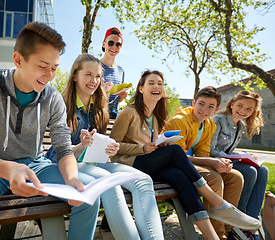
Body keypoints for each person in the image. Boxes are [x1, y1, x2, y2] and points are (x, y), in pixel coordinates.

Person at [0, 22, 101, 240]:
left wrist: (71, 179)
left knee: (87, 191)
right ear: (18, 60)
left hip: (36, 168)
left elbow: (63, 149)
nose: (50, 75)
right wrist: (10, 170)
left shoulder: (52, 98)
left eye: (54, 68)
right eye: (43, 66)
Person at [110, 71, 261, 240]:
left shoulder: (159, 116)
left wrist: (161, 143)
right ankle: (217, 203)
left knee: (179, 176)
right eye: (151, 83)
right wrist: (143, 149)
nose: (156, 86)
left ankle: (213, 237)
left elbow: (161, 146)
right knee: (175, 152)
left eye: (160, 84)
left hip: (151, 165)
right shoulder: (129, 112)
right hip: (129, 164)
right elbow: (113, 147)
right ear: (141, 89)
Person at [46, 54, 164, 240]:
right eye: (89, 75)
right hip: (63, 164)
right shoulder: (60, 104)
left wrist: (110, 148)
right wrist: (81, 146)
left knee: (142, 180)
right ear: (75, 76)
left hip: (91, 163)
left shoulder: (99, 107)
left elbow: (96, 146)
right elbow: (58, 152)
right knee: (109, 185)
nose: (94, 81)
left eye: (98, 76)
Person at [163, 86, 247, 239]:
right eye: (201, 104)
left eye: (210, 106)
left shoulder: (208, 125)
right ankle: (218, 235)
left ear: (216, 110)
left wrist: (219, 163)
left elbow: (202, 154)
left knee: (235, 177)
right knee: (214, 179)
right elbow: (176, 157)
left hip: (190, 164)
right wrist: (211, 162)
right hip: (172, 166)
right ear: (194, 103)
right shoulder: (180, 121)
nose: (204, 109)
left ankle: (228, 231)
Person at [210, 90, 268, 239]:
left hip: (227, 160)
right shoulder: (218, 120)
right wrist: (233, 158)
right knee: (249, 171)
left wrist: (244, 155)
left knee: (263, 170)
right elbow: (210, 149)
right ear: (232, 104)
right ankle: (237, 221)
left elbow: (230, 149)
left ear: (253, 112)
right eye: (240, 106)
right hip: (213, 162)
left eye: (249, 109)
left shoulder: (240, 126)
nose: (243, 111)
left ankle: (252, 221)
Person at [101, 27, 128, 119]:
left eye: (118, 44)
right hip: (96, 114)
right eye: (111, 43)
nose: (114, 47)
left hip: (113, 116)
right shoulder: (95, 66)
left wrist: (121, 97)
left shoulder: (121, 71)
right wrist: (103, 91)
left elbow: (115, 101)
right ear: (104, 44)